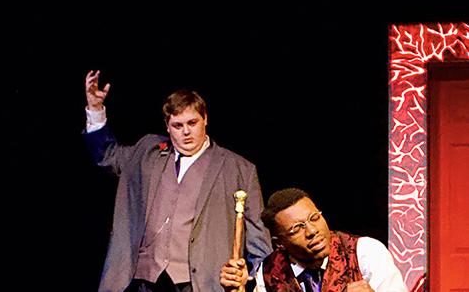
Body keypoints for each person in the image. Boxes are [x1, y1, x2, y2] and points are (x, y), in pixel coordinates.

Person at [83, 70, 272, 292]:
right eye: (178, 126)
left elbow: (259, 239)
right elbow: (107, 156)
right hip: (142, 279)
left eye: (192, 123)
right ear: (167, 126)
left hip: (201, 283)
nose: (186, 132)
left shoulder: (238, 169)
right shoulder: (148, 152)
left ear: (205, 119)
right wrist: (95, 109)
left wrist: (251, 278)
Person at [219, 188, 407, 292]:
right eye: (296, 229)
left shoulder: (365, 253)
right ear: (279, 243)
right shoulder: (268, 274)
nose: (311, 231)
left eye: (314, 218)